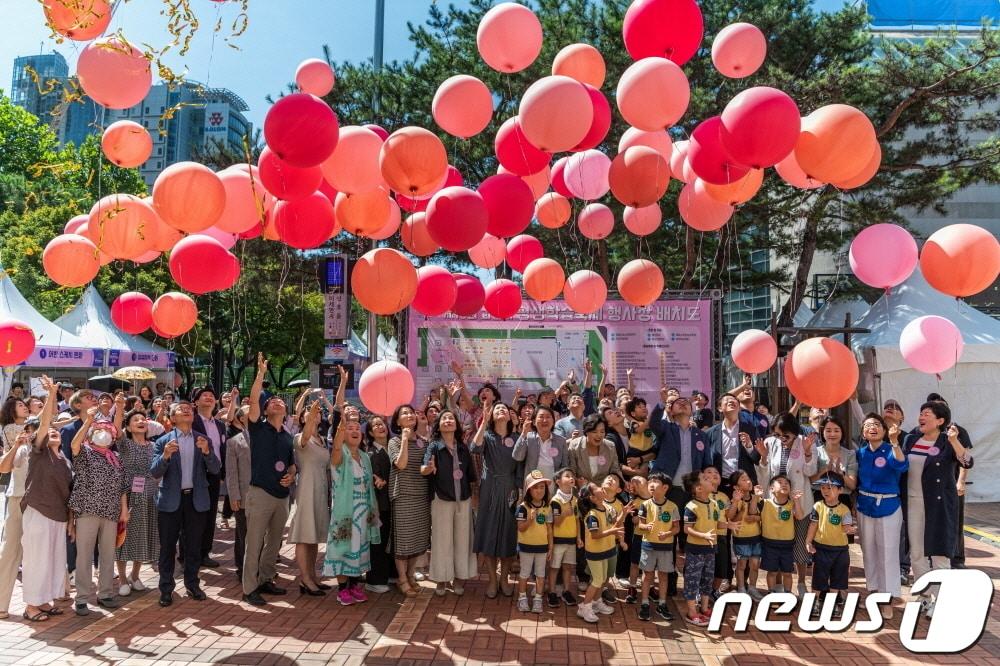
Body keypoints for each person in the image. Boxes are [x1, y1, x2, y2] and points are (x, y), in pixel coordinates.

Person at [900, 401, 973, 618]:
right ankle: (924, 596)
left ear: (940, 421)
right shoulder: (911, 439)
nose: (921, 417)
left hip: (939, 504)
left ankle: (941, 600)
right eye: (921, 413)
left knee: (940, 553)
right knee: (917, 553)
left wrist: (954, 441)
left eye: (927, 414)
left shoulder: (948, 440)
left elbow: (967, 462)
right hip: (913, 501)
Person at [151, 401, 219, 607]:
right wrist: (165, 456)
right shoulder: (163, 441)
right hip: (171, 501)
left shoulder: (203, 439)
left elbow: (216, 469)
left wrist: (207, 452)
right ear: (172, 418)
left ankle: (192, 584)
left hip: (195, 500)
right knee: (168, 547)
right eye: (180, 409)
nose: (186, 410)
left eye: (188, 408)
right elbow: (154, 472)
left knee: (193, 546)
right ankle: (166, 588)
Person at [242, 353, 296, 606]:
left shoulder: (287, 435)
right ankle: (249, 587)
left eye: (279, 402)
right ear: (264, 410)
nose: (276, 403)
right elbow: (254, 399)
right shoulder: (257, 426)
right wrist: (261, 374)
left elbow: (292, 464)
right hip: (260, 492)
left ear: (286, 411)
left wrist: (292, 474)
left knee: (274, 543)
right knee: (254, 542)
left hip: (282, 496)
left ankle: (266, 579)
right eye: (271, 401)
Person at [0, 376, 56, 620]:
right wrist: (16, 445)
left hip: (37, 501)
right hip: (18, 497)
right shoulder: (14, 432)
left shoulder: (39, 440)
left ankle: (40, 600)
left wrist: (51, 394)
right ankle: (3, 603)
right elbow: (4, 467)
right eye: (20, 406)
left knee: (37, 552)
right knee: (11, 550)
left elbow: (46, 423)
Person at [68, 400, 128, 616]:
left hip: (111, 511)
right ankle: (82, 598)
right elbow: (74, 445)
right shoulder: (84, 451)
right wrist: (89, 422)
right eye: (99, 430)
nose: (104, 433)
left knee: (107, 554)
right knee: (84, 555)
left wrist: (123, 510)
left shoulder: (116, 458)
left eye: (107, 430)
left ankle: (105, 594)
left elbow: (122, 486)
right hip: (87, 509)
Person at [758, 412, 817, 594]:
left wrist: (807, 452)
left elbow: (811, 471)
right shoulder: (771, 443)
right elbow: (765, 474)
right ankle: (776, 586)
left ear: (794, 431)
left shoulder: (805, 441)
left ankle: (801, 583)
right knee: (776, 542)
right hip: (776, 501)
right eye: (777, 434)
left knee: (800, 543)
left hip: (800, 499)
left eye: (786, 435)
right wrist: (763, 457)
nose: (781, 439)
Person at [855, 413, 907, 619]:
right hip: (864, 505)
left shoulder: (891, 450)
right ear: (863, 432)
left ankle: (887, 599)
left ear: (885, 430)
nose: (872, 428)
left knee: (888, 553)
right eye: (867, 425)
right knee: (869, 552)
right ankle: (873, 593)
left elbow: (902, 465)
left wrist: (895, 442)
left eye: (877, 424)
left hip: (889, 505)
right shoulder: (860, 453)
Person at [324, 418, 380, 605]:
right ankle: (342, 589)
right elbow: (337, 449)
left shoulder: (365, 457)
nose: (355, 430)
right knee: (343, 547)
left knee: (360, 546)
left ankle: (354, 584)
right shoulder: (340, 454)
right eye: (350, 428)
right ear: (342, 434)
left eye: (358, 428)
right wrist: (340, 428)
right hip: (345, 512)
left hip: (363, 511)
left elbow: (367, 483)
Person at [422, 409, 478, 596]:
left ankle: (461, 577)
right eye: (444, 418)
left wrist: (473, 499)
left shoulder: (463, 448)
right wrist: (429, 468)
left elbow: (470, 476)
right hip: (441, 498)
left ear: (457, 424)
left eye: (451, 418)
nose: (448, 421)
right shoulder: (433, 446)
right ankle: (441, 579)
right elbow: (423, 469)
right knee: (441, 540)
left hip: (463, 498)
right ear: (438, 424)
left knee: (463, 540)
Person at [471, 402, 520, 598]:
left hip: (510, 488)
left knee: (508, 535)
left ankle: (504, 579)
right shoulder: (488, 436)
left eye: (505, 409)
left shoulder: (516, 437)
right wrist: (483, 421)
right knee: (490, 535)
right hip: (490, 487)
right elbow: (475, 448)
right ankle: (492, 580)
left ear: (509, 416)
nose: (501, 411)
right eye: (497, 409)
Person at [115, 409, 160, 597]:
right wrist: (119, 407)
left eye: (143, 419)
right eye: (135, 419)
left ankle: (135, 575)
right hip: (128, 496)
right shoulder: (125, 444)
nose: (141, 421)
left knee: (144, 536)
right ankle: (123, 578)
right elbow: (115, 430)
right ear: (128, 426)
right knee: (124, 538)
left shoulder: (154, 446)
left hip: (149, 496)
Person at [387, 404, 430, 597]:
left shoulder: (423, 442)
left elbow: (427, 468)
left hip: (421, 495)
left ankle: (411, 575)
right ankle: (402, 579)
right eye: (404, 413)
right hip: (403, 495)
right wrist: (405, 439)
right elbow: (401, 464)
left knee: (418, 539)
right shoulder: (394, 442)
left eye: (411, 412)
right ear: (397, 421)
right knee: (403, 541)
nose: (410, 415)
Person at [290, 400, 331, 596]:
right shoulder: (300, 437)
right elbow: (306, 436)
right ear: (302, 418)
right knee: (304, 534)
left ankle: (312, 575)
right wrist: (310, 416)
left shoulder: (323, 440)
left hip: (322, 489)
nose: (315, 414)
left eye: (317, 412)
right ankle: (304, 578)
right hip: (307, 488)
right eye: (309, 412)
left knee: (313, 536)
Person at [805, 472, 855, 616]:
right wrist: (808, 542)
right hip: (821, 548)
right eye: (823, 487)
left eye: (830, 487)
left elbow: (846, 527)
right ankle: (814, 602)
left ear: (840, 490)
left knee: (838, 579)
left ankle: (832, 604)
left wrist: (849, 529)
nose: (825, 491)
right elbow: (813, 525)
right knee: (819, 577)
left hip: (840, 550)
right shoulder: (818, 506)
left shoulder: (844, 509)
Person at [576, 482, 624, 623]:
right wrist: (613, 531)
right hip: (595, 552)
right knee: (597, 580)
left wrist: (624, 513)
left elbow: (615, 524)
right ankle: (584, 607)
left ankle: (597, 602)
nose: (601, 487)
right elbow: (595, 535)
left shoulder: (608, 507)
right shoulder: (592, 515)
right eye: (596, 488)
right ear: (592, 498)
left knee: (602, 579)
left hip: (607, 549)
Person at [191, 386, 228, 568]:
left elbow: (223, 451)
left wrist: (222, 474)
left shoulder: (220, 425)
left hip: (214, 474)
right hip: (195, 475)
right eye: (204, 395)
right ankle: (188, 554)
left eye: (212, 395)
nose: (209, 398)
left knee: (211, 513)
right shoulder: (191, 421)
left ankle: (205, 552)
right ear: (195, 402)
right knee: (193, 515)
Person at [635, 471, 679, 622]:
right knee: (647, 575)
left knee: (663, 576)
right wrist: (645, 526)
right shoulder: (645, 505)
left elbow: (677, 528)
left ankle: (662, 603)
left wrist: (667, 534)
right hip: (648, 545)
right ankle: (645, 603)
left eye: (656, 482)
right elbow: (640, 524)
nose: (651, 485)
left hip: (666, 547)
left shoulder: (672, 506)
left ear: (665, 487)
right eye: (650, 482)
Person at [681, 471, 719, 627]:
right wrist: (703, 535)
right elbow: (687, 529)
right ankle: (691, 611)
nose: (710, 479)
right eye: (705, 478)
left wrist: (728, 525)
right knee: (692, 580)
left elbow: (716, 523)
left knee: (707, 579)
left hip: (711, 549)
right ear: (698, 489)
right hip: (695, 549)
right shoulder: (691, 507)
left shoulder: (714, 503)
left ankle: (704, 608)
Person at [707, 394, 761, 495]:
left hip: (744, 483)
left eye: (734, 400)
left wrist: (749, 447)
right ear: (719, 408)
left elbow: (758, 459)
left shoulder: (750, 429)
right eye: (727, 400)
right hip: (719, 484)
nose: (731, 401)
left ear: (739, 407)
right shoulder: (710, 433)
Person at [515, 469, 553, 614]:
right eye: (535, 487)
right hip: (526, 547)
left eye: (542, 487)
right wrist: (530, 519)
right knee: (524, 573)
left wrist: (550, 547)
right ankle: (522, 598)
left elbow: (549, 529)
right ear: (529, 490)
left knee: (540, 574)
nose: (539, 490)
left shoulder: (547, 507)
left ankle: (538, 599)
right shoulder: (523, 508)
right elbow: (521, 528)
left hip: (542, 548)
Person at [759, 475, 804, 596]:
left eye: (787, 483)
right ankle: (771, 594)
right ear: (771, 488)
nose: (784, 484)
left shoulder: (791, 504)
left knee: (787, 573)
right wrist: (756, 497)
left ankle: (788, 595)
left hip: (787, 544)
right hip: (769, 543)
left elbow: (799, 516)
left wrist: (797, 501)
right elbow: (753, 511)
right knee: (772, 572)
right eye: (780, 482)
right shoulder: (765, 503)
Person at [363, 414, 392, 594]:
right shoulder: (371, 453)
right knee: (377, 543)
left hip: (391, 503)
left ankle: (387, 575)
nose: (381, 427)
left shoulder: (392, 448)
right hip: (378, 505)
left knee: (387, 542)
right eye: (376, 426)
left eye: (382, 424)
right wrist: (378, 482)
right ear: (371, 433)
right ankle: (374, 580)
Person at [546, 467, 580, 608]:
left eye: (572, 476)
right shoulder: (555, 500)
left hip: (571, 540)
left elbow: (577, 519)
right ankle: (552, 592)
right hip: (558, 540)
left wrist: (578, 537)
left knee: (568, 567)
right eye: (567, 476)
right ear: (558, 482)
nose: (571, 478)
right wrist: (565, 514)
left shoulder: (575, 499)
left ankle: (566, 591)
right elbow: (554, 522)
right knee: (554, 568)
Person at [727, 470, 763, 599]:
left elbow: (758, 515)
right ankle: (741, 588)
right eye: (743, 479)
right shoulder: (735, 500)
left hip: (756, 537)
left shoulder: (756, 497)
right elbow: (730, 519)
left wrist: (756, 516)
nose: (748, 481)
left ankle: (752, 588)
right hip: (741, 538)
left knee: (754, 565)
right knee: (741, 565)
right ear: (736, 487)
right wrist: (737, 504)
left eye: (748, 478)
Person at [225, 406, 251, 582]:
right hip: (243, 495)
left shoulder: (265, 437)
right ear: (241, 419)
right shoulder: (234, 441)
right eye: (249, 410)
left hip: (264, 495)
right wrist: (234, 495)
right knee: (243, 533)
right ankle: (243, 569)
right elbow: (231, 472)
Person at [811, 416, 858, 508]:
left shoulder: (850, 454)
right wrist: (825, 470)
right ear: (822, 433)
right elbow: (811, 481)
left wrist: (841, 474)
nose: (832, 434)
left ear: (842, 433)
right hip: (819, 499)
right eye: (828, 430)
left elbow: (852, 486)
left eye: (836, 430)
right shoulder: (815, 452)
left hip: (842, 500)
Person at [512, 406, 568, 480]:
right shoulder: (528, 438)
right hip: (533, 484)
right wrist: (524, 433)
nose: (544, 420)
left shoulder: (561, 441)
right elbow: (517, 457)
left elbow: (564, 466)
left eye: (548, 417)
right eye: (541, 417)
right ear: (534, 421)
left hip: (553, 483)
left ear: (553, 421)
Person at [566, 414, 621, 486]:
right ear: (586, 432)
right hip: (581, 491)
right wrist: (577, 481)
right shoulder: (575, 445)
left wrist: (622, 482)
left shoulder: (610, 446)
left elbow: (615, 470)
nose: (599, 435)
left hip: (603, 491)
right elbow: (571, 472)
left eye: (602, 432)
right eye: (594, 432)